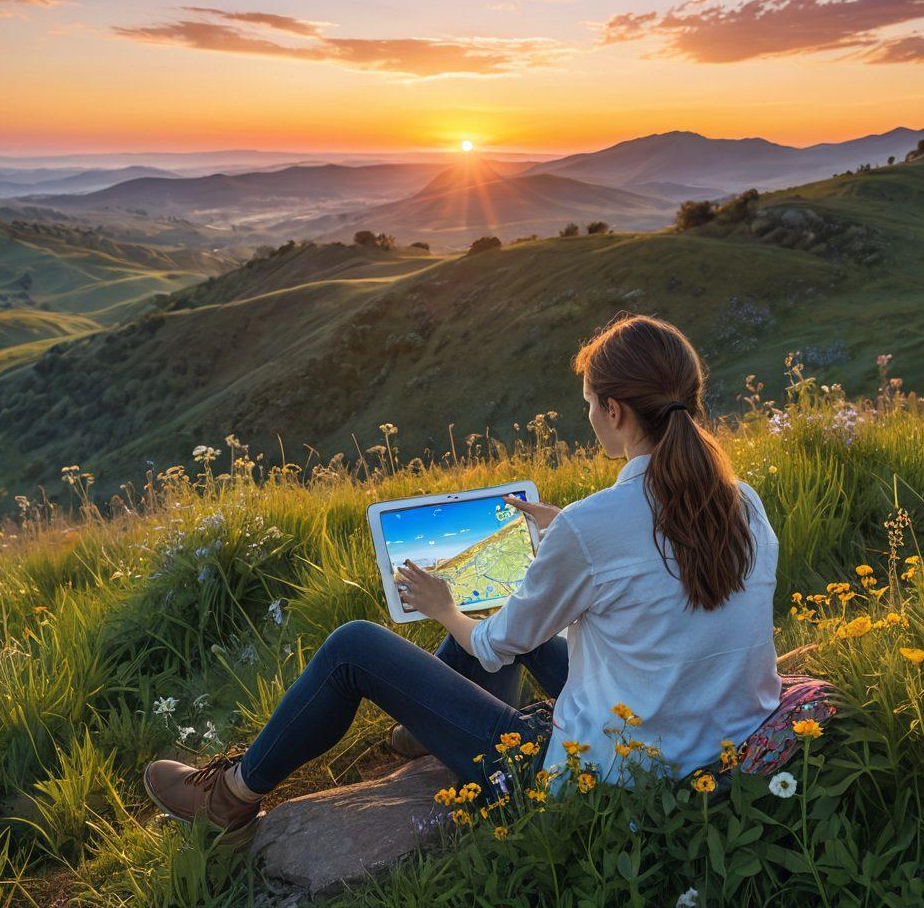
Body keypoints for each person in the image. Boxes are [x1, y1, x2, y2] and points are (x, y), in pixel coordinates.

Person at [143, 314, 782, 837]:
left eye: (588, 403)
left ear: (615, 411)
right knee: (534, 617)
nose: (587, 416)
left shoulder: (593, 529)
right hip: (715, 743)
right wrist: (565, 533)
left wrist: (445, 605)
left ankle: (230, 794)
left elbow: (497, 643)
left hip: (607, 777)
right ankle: (429, 723)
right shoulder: (741, 500)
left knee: (353, 648)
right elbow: (658, 584)